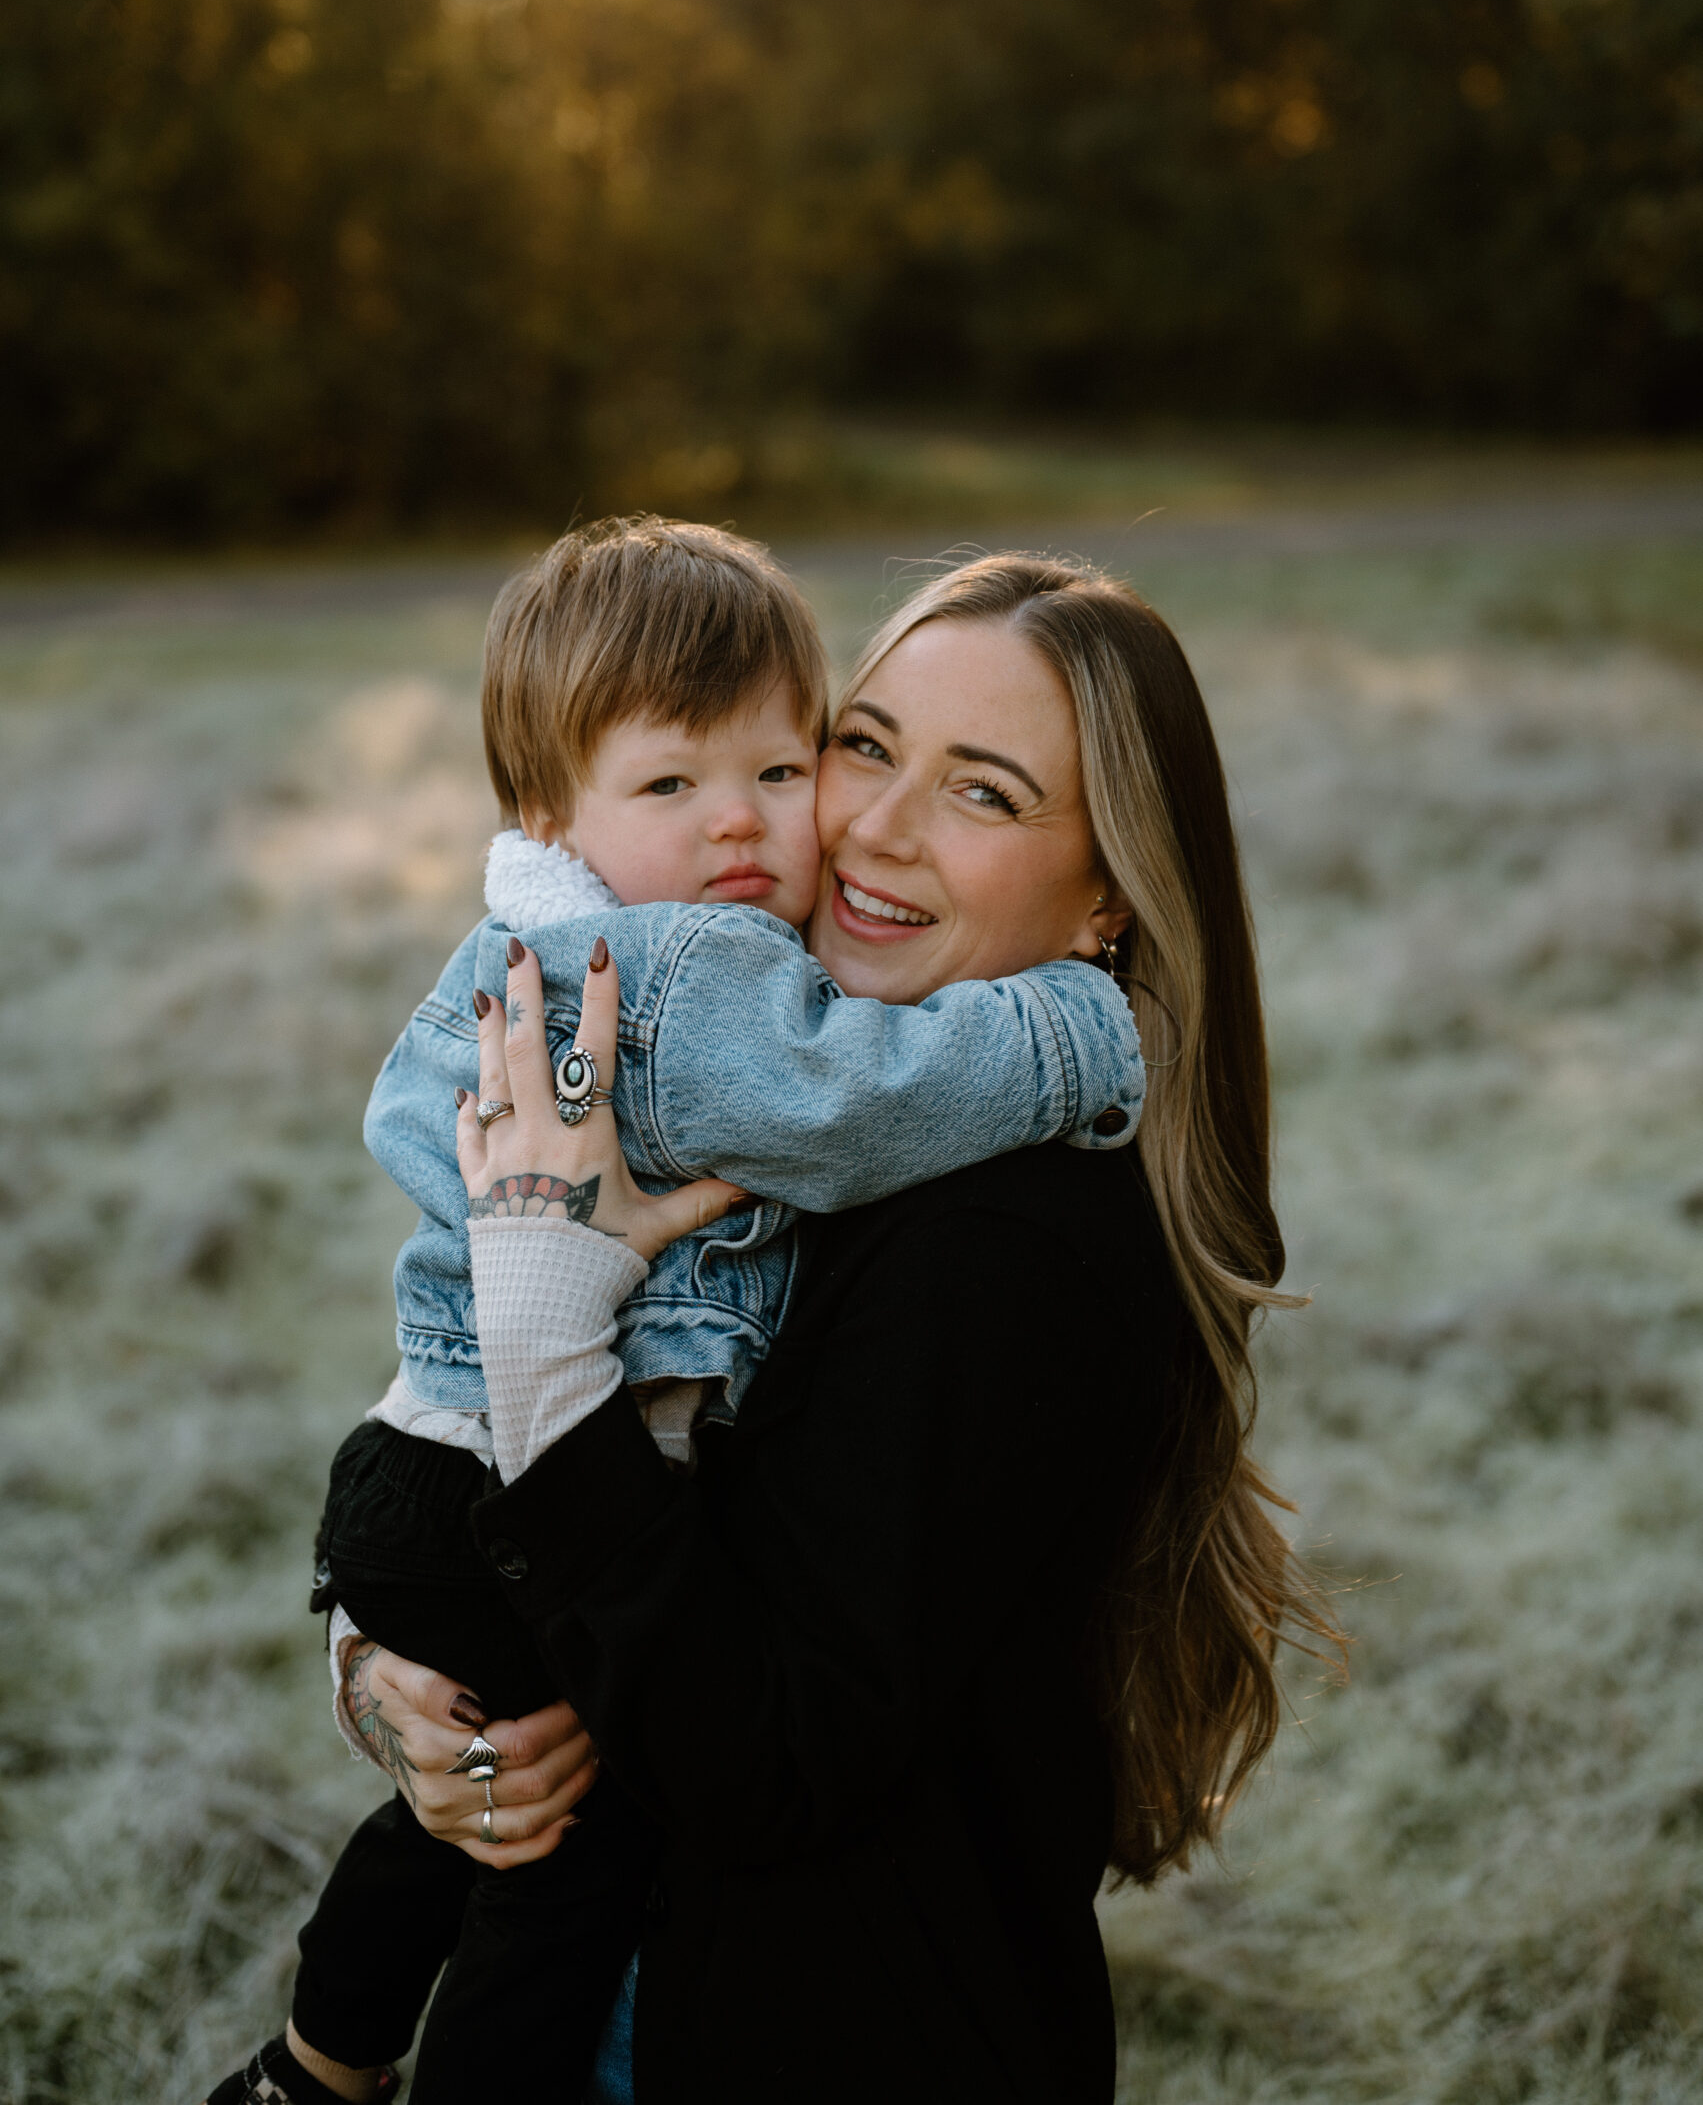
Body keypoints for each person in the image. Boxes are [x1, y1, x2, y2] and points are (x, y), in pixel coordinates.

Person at [326, 553, 1343, 2105]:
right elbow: (590, 1563)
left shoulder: (1006, 1241)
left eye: (985, 794)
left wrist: (544, 1333)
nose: (868, 823)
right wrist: (421, 1711)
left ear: (1110, 894)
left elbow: (766, 1759)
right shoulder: (801, 1106)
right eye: (863, 746)